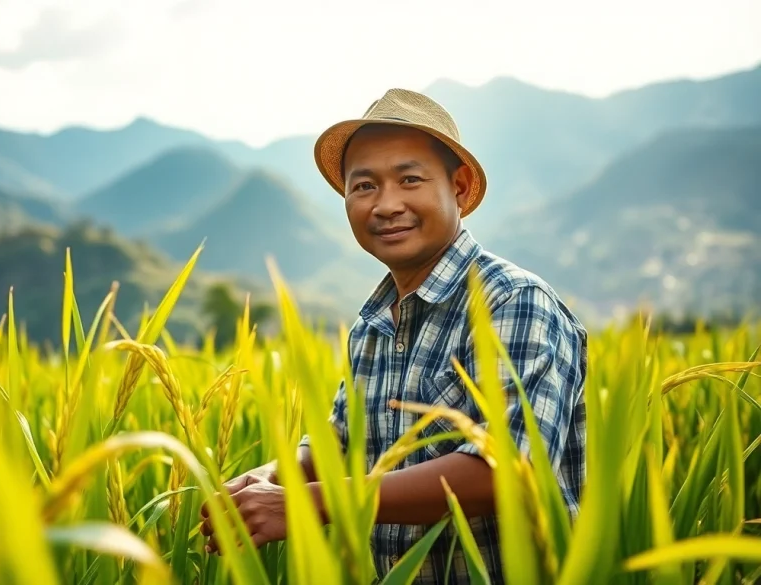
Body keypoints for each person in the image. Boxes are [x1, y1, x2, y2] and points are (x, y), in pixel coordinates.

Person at [199, 88, 588, 584]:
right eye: (363, 187)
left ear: (461, 188)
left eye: (410, 180)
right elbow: (343, 439)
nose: (386, 205)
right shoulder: (374, 324)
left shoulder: (511, 302)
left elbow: (506, 467)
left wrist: (308, 503)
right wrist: (277, 475)